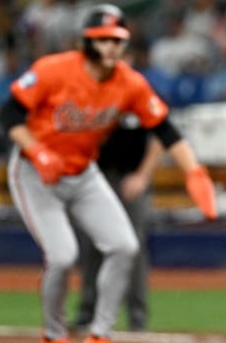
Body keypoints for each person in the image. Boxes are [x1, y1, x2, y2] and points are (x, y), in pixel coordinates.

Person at [0, 3, 217, 343]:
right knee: (63, 256)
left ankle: (100, 334)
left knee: (124, 246)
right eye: (103, 40)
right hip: (35, 174)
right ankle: (54, 336)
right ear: (86, 41)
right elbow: (9, 113)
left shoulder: (130, 83)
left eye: (117, 40)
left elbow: (165, 129)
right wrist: (36, 150)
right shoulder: (54, 70)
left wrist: (194, 171)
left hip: (83, 173)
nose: (111, 48)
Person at [72, 124, 163, 333]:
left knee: (133, 248)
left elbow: (162, 136)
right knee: (91, 245)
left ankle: (137, 320)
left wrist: (143, 175)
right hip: (95, 178)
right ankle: (88, 315)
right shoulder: (91, 96)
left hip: (131, 178)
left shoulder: (139, 95)